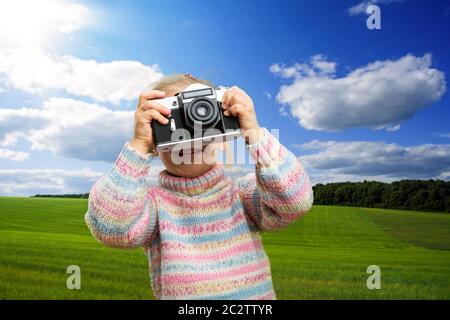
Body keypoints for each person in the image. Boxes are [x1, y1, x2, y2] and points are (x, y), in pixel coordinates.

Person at [85, 73, 314, 299]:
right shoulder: (154, 208)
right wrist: (139, 145)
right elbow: (111, 228)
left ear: (224, 133)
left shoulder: (242, 196)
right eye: (175, 120)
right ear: (156, 142)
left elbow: (295, 201)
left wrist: (254, 133)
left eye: (201, 116)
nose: (189, 135)